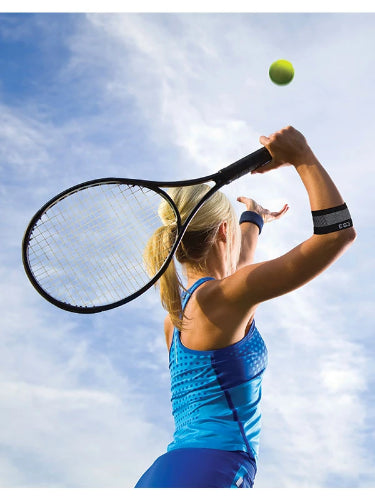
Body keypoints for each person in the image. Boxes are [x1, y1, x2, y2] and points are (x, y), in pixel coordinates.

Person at [135, 126, 356, 488]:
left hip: (169, 472)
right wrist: (302, 157)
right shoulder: (223, 297)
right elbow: (337, 235)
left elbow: (238, 270)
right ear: (224, 232)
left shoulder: (177, 318)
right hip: (212, 472)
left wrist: (253, 218)